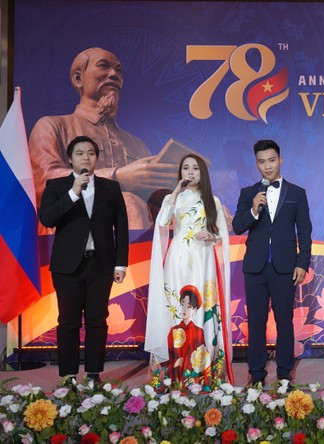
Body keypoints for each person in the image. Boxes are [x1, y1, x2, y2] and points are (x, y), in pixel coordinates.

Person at [29, 47, 178, 229]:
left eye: (118, 70)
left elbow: (153, 203)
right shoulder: (53, 126)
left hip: (136, 223)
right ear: (78, 78)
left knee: (199, 211)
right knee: (128, 204)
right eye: (104, 66)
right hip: (71, 224)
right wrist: (117, 178)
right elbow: (44, 183)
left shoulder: (137, 144)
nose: (114, 74)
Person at [38, 135, 128, 383]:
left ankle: (93, 374)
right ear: (70, 158)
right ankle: (68, 375)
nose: (86, 157)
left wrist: (121, 263)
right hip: (68, 267)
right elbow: (47, 218)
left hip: (101, 265)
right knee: (68, 321)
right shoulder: (56, 187)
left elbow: (121, 226)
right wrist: (73, 192)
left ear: (97, 158)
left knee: (97, 320)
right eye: (80, 153)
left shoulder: (110, 188)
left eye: (90, 153)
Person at [145, 154, 233, 386]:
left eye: (195, 168)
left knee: (202, 306)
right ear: (180, 172)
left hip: (203, 258)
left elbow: (222, 236)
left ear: (203, 173)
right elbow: (163, 223)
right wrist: (173, 194)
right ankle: (174, 371)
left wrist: (211, 236)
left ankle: (204, 369)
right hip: (177, 260)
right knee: (177, 308)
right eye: (186, 168)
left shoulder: (211, 200)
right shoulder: (171, 199)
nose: (191, 172)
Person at [232, 140, 312, 385]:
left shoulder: (297, 193)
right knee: (255, 323)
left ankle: (285, 374)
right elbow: (237, 226)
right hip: (255, 268)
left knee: (284, 322)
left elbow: (305, 231)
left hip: (285, 268)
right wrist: (254, 210)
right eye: (261, 161)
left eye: (271, 160)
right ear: (256, 163)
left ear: (280, 160)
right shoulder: (248, 193)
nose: (267, 166)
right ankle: (256, 375)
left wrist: (302, 263)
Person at [164, 286, 210, 385]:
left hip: (192, 377)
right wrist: (175, 363)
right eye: (182, 304)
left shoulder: (199, 332)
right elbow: (166, 354)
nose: (184, 309)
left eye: (189, 307)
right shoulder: (173, 330)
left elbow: (204, 359)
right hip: (175, 376)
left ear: (195, 310)